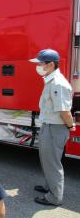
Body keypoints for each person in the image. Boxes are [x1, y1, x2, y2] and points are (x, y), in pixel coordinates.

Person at [29, 49, 74, 206]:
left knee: (53, 163)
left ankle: (54, 197)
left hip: (55, 128)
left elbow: (64, 111)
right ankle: (49, 187)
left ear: (51, 64)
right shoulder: (50, 80)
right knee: (47, 160)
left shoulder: (58, 84)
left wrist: (71, 126)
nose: (38, 66)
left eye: (40, 63)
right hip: (50, 126)